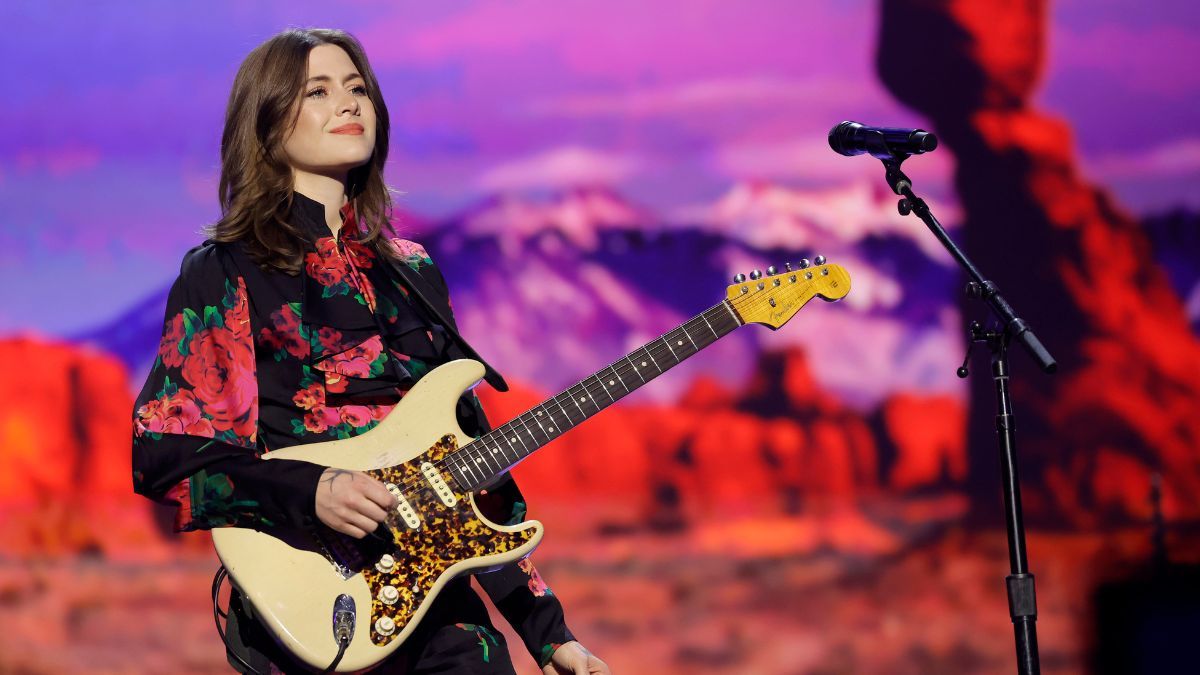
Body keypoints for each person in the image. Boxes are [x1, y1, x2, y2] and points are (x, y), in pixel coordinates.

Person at [131, 28, 610, 675]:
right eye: (320, 91)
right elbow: (165, 453)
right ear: (268, 122)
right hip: (315, 611)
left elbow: (474, 469)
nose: (350, 104)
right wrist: (312, 489)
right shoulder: (226, 271)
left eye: (358, 89)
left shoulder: (413, 272)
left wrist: (549, 633)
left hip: (447, 619)